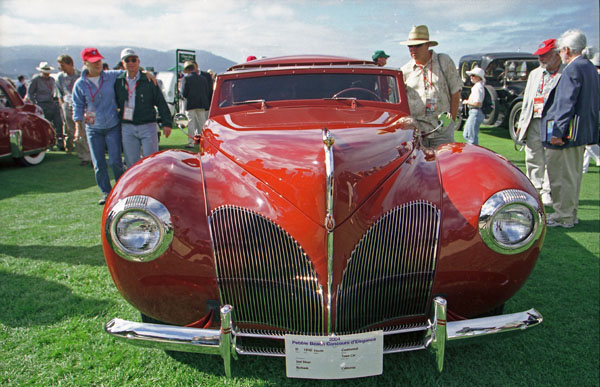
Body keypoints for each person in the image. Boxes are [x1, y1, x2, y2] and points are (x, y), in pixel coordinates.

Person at [541, 29, 599, 228]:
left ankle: (563, 216)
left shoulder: (573, 69)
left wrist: (557, 132)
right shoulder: (589, 67)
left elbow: (566, 103)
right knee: (573, 177)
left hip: (566, 134)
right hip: (580, 133)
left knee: (561, 177)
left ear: (566, 49)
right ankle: (569, 214)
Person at [72, 48, 126, 205]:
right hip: (93, 129)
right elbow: (78, 106)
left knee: (116, 160)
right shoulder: (80, 84)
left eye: (99, 61)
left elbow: (130, 73)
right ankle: (106, 192)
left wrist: (146, 74)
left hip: (112, 126)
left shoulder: (110, 76)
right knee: (98, 163)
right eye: (94, 62)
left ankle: (121, 190)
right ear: (85, 63)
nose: (98, 64)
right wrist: (78, 128)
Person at [515, 38, 564, 206]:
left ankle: (547, 191)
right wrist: (521, 124)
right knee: (533, 154)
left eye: (545, 55)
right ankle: (534, 188)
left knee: (551, 157)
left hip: (552, 122)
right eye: (539, 56)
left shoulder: (564, 73)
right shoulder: (535, 74)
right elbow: (527, 101)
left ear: (557, 54)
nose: (541, 59)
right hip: (534, 120)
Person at [400, 25, 462, 147]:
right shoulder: (405, 71)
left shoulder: (444, 61)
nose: (413, 49)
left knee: (444, 164)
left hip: (442, 132)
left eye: (418, 45)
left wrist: (450, 123)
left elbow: (455, 93)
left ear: (427, 45)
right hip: (417, 135)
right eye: (410, 46)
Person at [114, 48, 172, 168]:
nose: (131, 63)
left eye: (133, 60)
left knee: (152, 161)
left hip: (148, 125)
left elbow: (160, 102)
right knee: (131, 163)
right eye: (127, 60)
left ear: (138, 61)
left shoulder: (149, 80)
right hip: (127, 126)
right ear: (123, 63)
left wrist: (167, 123)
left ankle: (154, 185)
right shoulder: (118, 81)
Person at [57, 54, 91, 164]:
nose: (62, 68)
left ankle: (92, 155)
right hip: (67, 105)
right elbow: (59, 94)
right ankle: (84, 156)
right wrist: (63, 107)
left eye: (63, 65)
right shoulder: (60, 78)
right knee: (74, 131)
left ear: (70, 64)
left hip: (81, 106)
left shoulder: (80, 76)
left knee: (85, 130)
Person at [27, 61, 64, 150]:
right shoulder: (36, 80)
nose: (47, 74)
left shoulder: (52, 79)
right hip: (42, 104)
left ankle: (60, 144)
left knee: (58, 124)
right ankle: (49, 144)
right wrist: (34, 104)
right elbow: (30, 93)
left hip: (53, 103)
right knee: (46, 126)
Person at [180, 60, 210, 148]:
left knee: (191, 123)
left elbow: (184, 93)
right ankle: (204, 141)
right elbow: (207, 91)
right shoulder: (203, 78)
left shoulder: (186, 79)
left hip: (190, 104)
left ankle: (191, 142)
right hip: (201, 103)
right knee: (202, 123)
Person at [582, 52, 600, 173]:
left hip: (592, 112)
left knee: (589, 141)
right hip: (593, 111)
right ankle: (584, 166)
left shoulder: (594, 78)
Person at [462, 66, 486, 145]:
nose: (471, 77)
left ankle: (473, 154)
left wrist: (467, 102)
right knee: (467, 134)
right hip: (473, 112)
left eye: (473, 75)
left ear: (479, 77)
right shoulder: (478, 87)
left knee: (471, 137)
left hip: (475, 112)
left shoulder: (478, 87)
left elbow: (478, 103)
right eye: (471, 75)